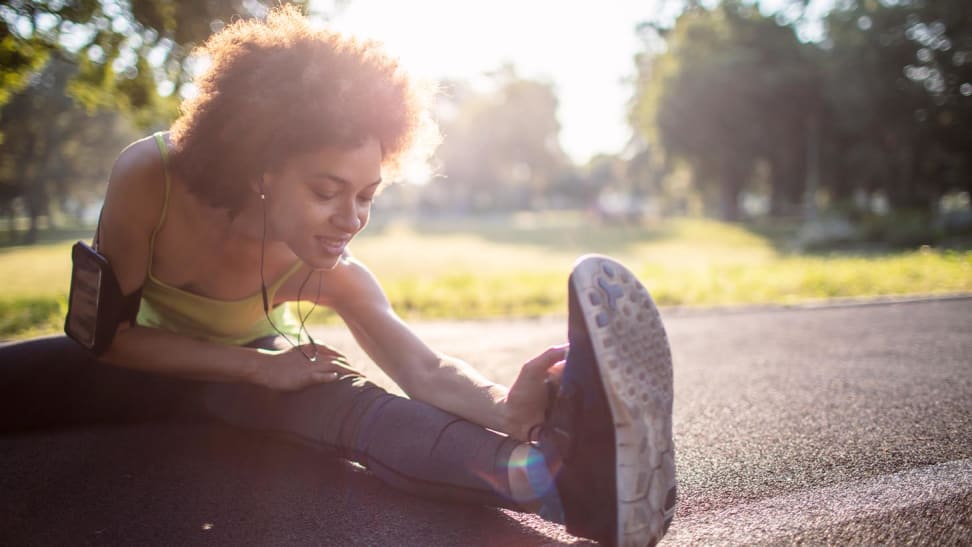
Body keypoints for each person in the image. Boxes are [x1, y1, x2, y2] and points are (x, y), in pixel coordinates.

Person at [0, 7, 675, 546]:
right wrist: (258, 368)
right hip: (125, 373)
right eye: (328, 189)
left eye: (367, 195)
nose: (350, 218)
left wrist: (509, 408)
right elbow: (103, 338)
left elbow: (428, 370)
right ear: (261, 169)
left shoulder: (334, 274)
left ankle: (579, 485)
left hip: (243, 385)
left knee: (356, 407)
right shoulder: (151, 178)